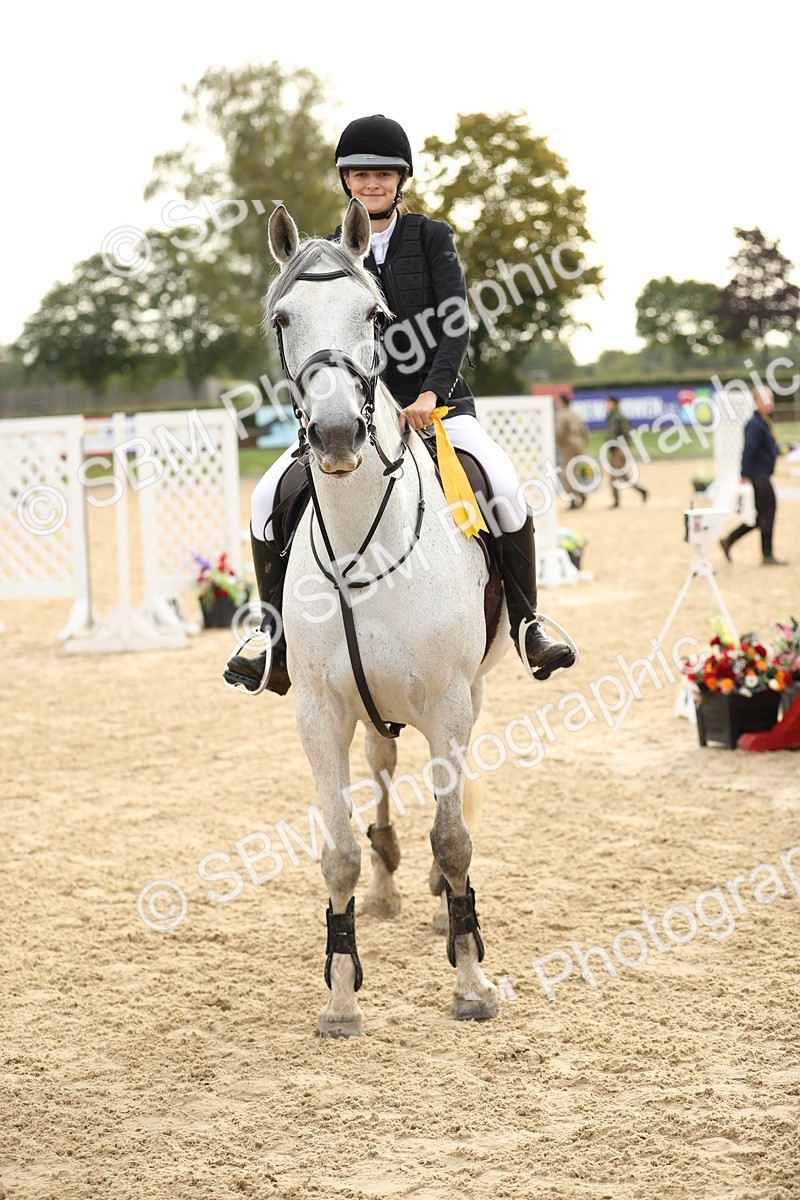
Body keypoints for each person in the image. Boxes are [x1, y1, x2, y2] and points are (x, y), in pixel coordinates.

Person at [224, 114, 575, 695]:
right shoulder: (326, 259)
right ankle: (274, 640)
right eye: (360, 174)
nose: (372, 183)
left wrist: (432, 393)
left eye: (383, 174)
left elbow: (455, 323)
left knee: (506, 488)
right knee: (266, 499)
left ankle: (527, 623)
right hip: (352, 415)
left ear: (400, 179)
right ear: (347, 182)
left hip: (436, 408)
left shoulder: (430, 239)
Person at [719, 386, 788, 566]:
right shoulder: (755, 424)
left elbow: (770, 447)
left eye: (771, 399)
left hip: (762, 473)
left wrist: (785, 449)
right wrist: (745, 474)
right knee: (767, 513)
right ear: (756, 401)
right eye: (765, 399)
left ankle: (730, 540)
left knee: (761, 516)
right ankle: (767, 554)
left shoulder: (764, 422)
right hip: (758, 475)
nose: (769, 403)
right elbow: (748, 450)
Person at [604, 396, 648, 507]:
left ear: (614, 403)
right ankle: (641, 490)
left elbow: (625, 433)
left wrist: (620, 448)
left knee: (614, 475)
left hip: (620, 449)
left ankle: (616, 501)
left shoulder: (619, 417)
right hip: (616, 448)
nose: (606, 405)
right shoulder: (612, 416)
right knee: (623, 475)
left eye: (608, 403)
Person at [554, 392, 589, 508]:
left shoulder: (562, 414)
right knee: (576, 471)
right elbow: (584, 430)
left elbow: (559, 432)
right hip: (579, 445)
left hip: (568, 446)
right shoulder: (575, 413)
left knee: (567, 473)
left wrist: (560, 444)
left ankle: (573, 498)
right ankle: (581, 491)